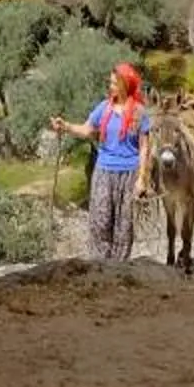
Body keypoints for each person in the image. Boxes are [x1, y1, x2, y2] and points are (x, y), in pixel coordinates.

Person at [50, 60, 150, 262]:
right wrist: (66, 126)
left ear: (124, 85)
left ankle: (119, 269)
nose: (110, 86)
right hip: (104, 171)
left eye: (114, 83)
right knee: (100, 221)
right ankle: (100, 267)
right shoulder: (104, 108)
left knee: (124, 226)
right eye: (110, 82)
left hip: (129, 174)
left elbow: (145, 148)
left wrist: (142, 179)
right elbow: (87, 130)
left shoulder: (140, 113)